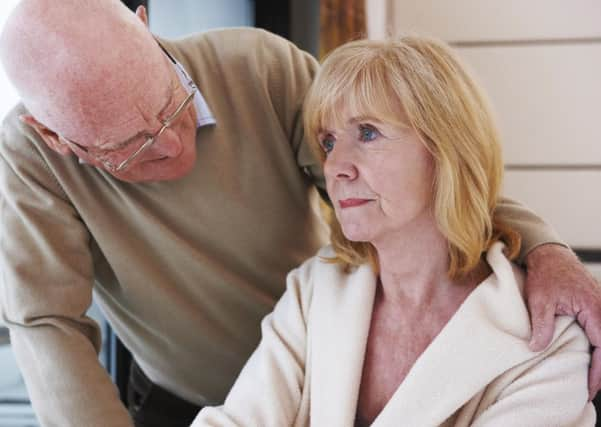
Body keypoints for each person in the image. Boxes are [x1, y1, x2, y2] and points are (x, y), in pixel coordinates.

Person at [0, 1, 598, 426]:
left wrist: (544, 247)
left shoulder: (260, 69)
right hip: (193, 395)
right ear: (55, 138)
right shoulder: (312, 301)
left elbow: (418, 182)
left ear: (144, 25)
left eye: (172, 102)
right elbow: (46, 324)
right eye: (130, 147)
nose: (173, 145)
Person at [192, 35, 596, 427]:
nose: (335, 166)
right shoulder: (313, 290)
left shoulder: (547, 337)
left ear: (446, 150)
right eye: (329, 141)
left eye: (367, 133)